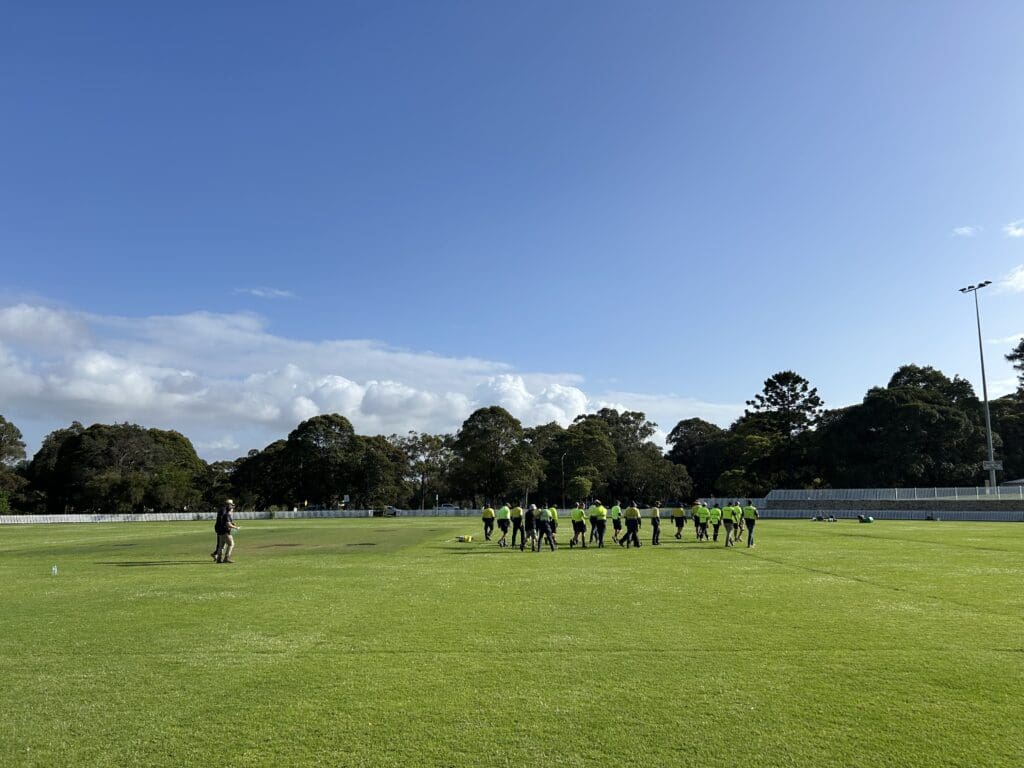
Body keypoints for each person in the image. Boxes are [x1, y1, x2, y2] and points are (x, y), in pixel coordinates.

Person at [213, 499, 239, 563]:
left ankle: (219, 559)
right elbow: (227, 524)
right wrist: (235, 527)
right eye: (232, 505)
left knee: (221, 546)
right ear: (229, 506)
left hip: (220, 531)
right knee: (231, 544)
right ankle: (226, 558)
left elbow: (223, 521)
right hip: (225, 531)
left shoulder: (223, 511)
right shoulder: (226, 514)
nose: (233, 507)